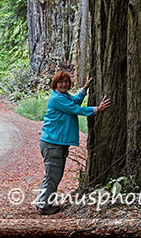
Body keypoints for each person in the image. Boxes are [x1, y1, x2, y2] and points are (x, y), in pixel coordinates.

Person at [37, 70, 111, 215]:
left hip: (57, 143)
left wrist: (84, 89)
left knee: (53, 175)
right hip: (53, 144)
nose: (64, 84)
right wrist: (97, 109)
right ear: (55, 84)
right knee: (52, 176)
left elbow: (74, 102)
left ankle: (43, 203)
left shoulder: (63, 96)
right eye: (60, 82)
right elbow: (75, 109)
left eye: (66, 82)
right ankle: (44, 206)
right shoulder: (56, 99)